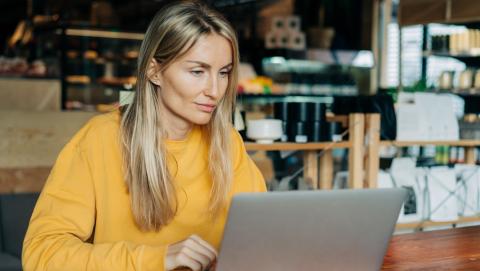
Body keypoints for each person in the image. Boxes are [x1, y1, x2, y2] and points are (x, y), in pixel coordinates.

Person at [22, 1, 266, 270]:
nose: (215, 90)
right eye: (197, 71)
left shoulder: (227, 143)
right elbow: (42, 254)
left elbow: (264, 240)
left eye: (224, 73)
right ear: (154, 71)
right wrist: (157, 260)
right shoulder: (100, 139)